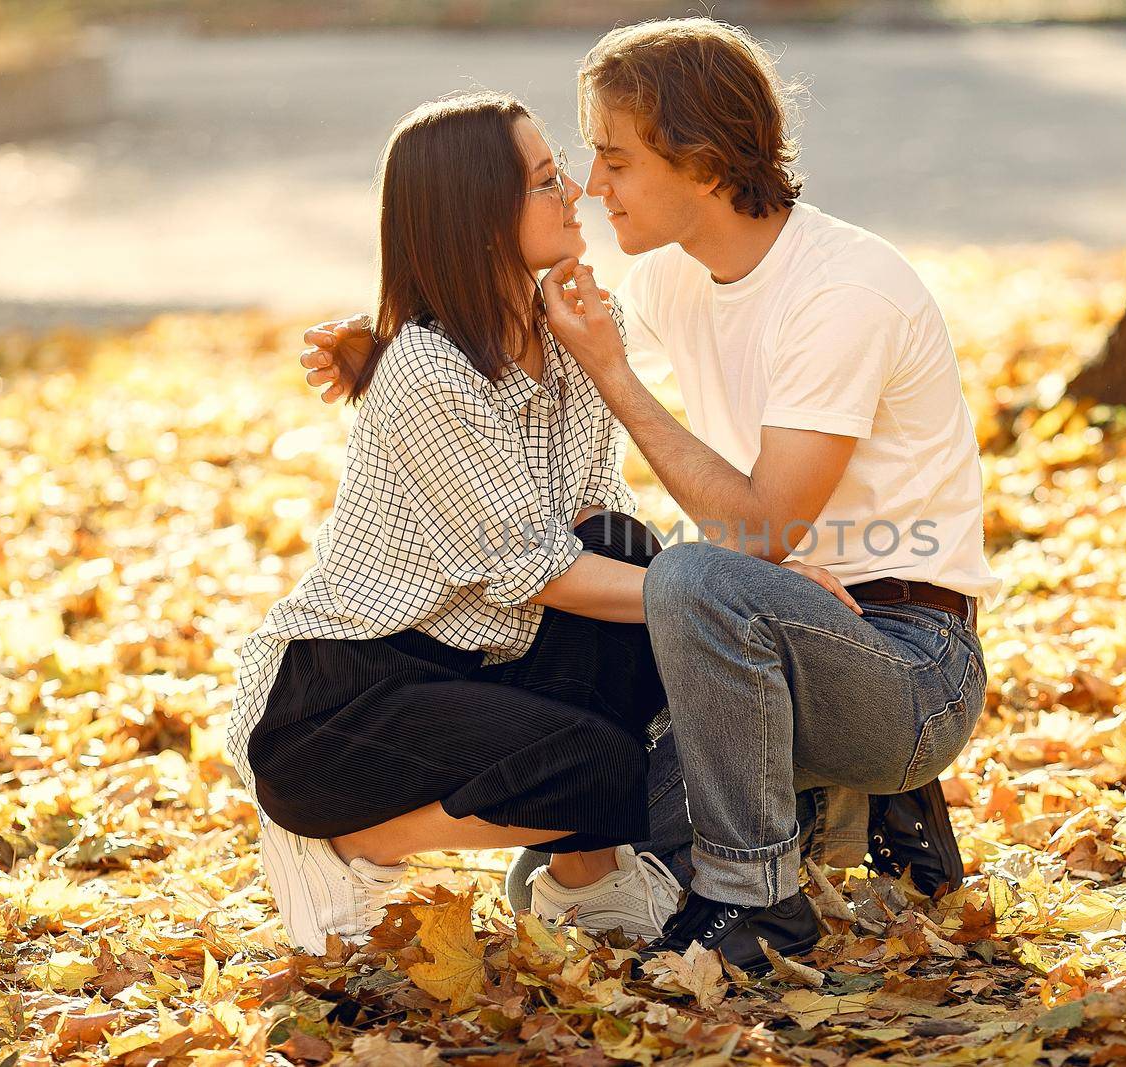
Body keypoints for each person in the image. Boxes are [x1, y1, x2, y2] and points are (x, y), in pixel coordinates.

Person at [299, 19, 999, 975]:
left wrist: (619, 379)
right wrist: (385, 342)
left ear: (702, 161)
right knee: (574, 858)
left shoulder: (847, 293)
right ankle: (828, 795)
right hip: (757, 640)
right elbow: (500, 312)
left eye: (614, 158)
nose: (590, 185)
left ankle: (762, 904)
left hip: (905, 658)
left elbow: (760, 528)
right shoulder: (672, 279)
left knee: (694, 576)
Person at [225, 91, 697, 956]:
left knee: (627, 550)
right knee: (602, 762)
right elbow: (543, 573)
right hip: (341, 704)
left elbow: (594, 519)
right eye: (549, 181)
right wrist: (716, 598)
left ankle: (583, 889)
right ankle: (346, 843)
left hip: (480, 664)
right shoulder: (426, 372)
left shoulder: (574, 335)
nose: (578, 195)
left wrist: (604, 360)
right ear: (481, 215)